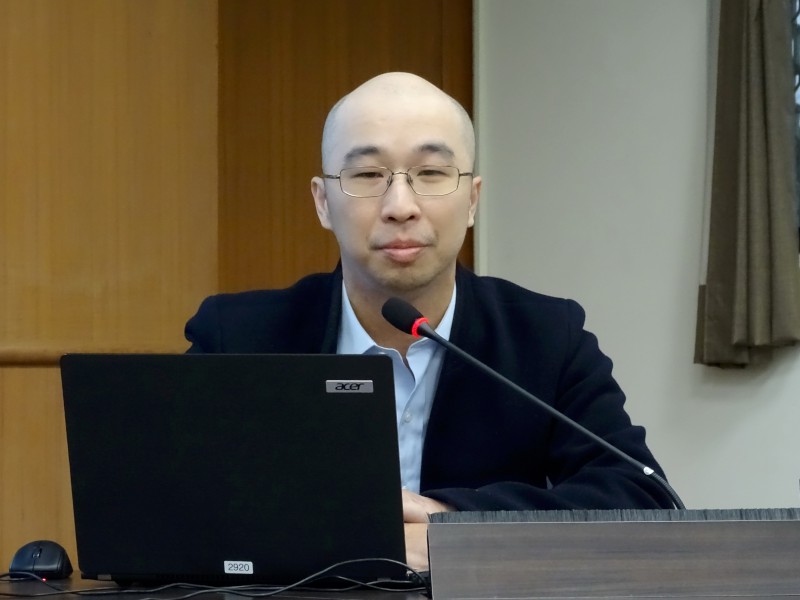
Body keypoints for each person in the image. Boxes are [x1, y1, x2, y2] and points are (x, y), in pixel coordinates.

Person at [184, 72, 676, 570]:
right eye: (367, 175)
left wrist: (455, 523)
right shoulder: (237, 337)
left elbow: (643, 499)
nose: (400, 207)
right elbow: (167, 504)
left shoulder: (546, 338)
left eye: (432, 173)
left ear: (472, 200)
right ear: (322, 202)